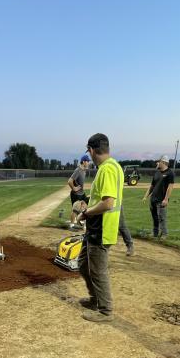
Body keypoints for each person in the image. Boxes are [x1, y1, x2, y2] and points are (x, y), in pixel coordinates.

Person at [76, 133, 124, 323]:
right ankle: (95, 299)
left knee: (97, 270)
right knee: (83, 264)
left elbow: (108, 203)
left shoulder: (107, 169)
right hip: (96, 226)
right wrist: (88, 204)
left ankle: (105, 311)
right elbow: (102, 199)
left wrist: (86, 213)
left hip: (102, 227)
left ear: (91, 150)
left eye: (89, 151)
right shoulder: (113, 166)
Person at [142, 155, 174, 239]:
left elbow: (170, 187)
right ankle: (155, 233)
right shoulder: (157, 172)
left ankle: (164, 234)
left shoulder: (170, 173)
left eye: (159, 161)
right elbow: (152, 186)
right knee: (155, 217)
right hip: (153, 199)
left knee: (162, 218)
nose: (157, 163)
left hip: (161, 200)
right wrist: (145, 196)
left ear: (163, 162)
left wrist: (166, 199)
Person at [67, 155, 91, 228]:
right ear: (83, 162)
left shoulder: (84, 170)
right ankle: (71, 225)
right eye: (87, 161)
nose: (88, 163)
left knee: (86, 206)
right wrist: (74, 188)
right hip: (76, 194)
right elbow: (70, 181)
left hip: (81, 193)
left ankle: (80, 220)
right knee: (76, 209)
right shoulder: (78, 170)